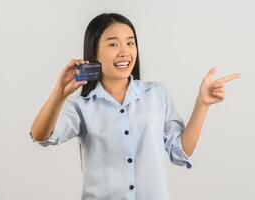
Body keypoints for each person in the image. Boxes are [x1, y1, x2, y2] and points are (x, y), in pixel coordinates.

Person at [29, 13, 241, 200]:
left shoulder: (157, 94)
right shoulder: (81, 106)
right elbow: (41, 135)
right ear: (94, 53)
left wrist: (202, 104)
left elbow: (181, 151)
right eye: (113, 44)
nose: (124, 51)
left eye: (130, 43)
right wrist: (59, 93)